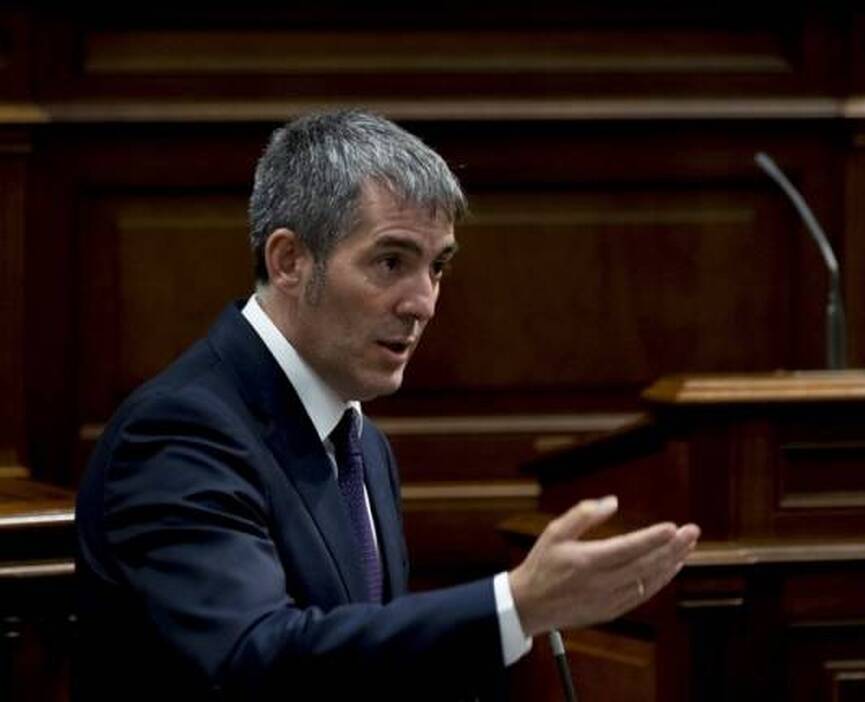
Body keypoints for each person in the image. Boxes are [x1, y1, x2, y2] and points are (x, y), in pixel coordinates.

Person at [74, 110, 700, 701]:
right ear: (290, 261)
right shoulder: (180, 431)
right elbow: (253, 660)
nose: (422, 303)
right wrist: (513, 607)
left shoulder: (359, 442)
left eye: (437, 267)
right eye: (391, 261)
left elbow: (364, 666)